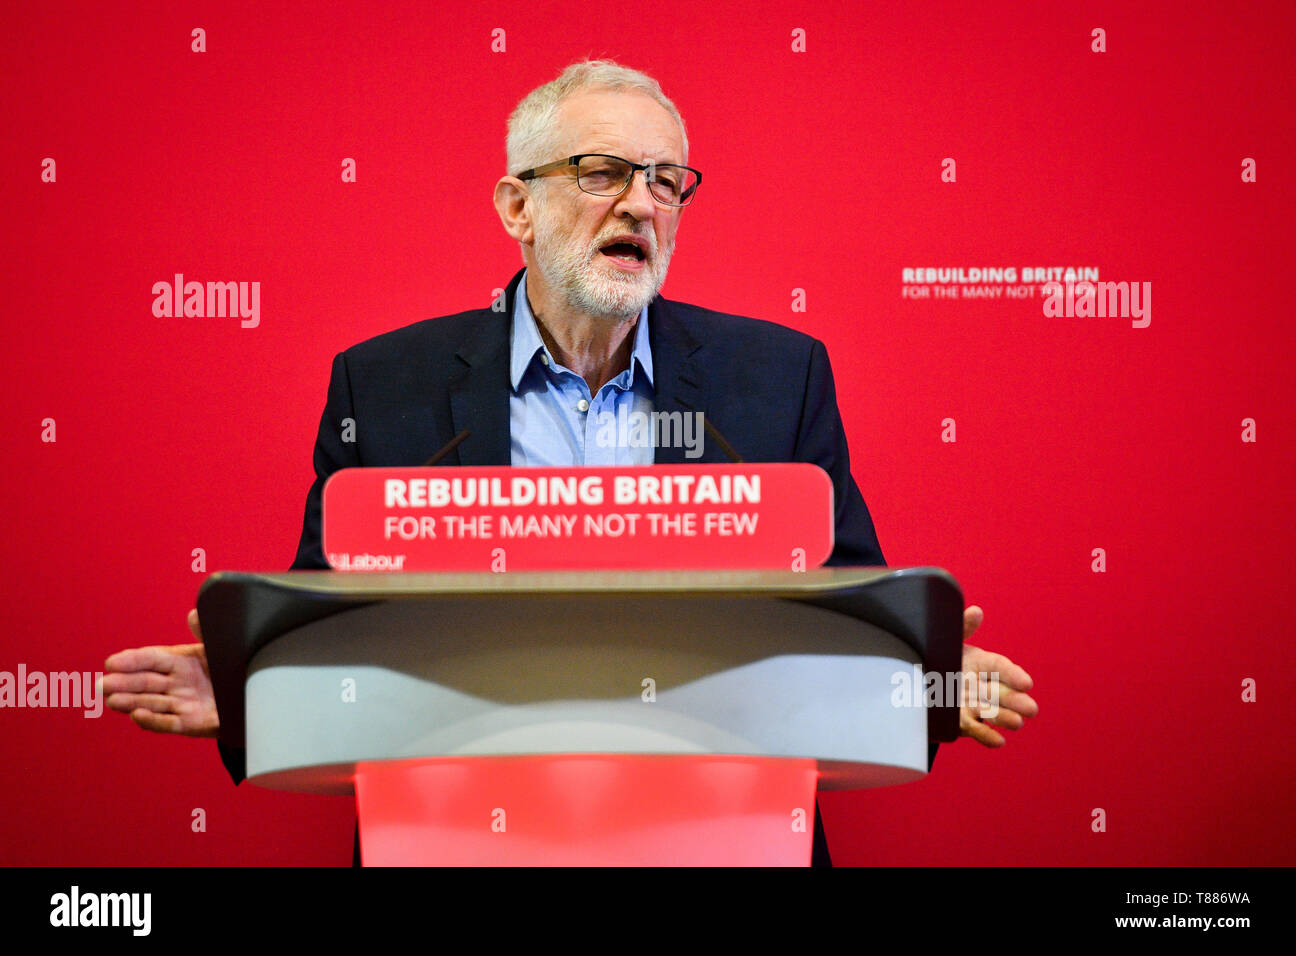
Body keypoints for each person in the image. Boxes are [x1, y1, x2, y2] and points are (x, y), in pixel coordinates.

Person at [102, 59, 1038, 864]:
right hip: (461, 840)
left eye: (669, 181)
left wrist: (923, 685)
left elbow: (848, 607)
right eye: (603, 173)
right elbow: (335, 627)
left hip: (727, 832)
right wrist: (249, 694)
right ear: (517, 204)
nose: (642, 202)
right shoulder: (386, 385)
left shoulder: (776, 376)